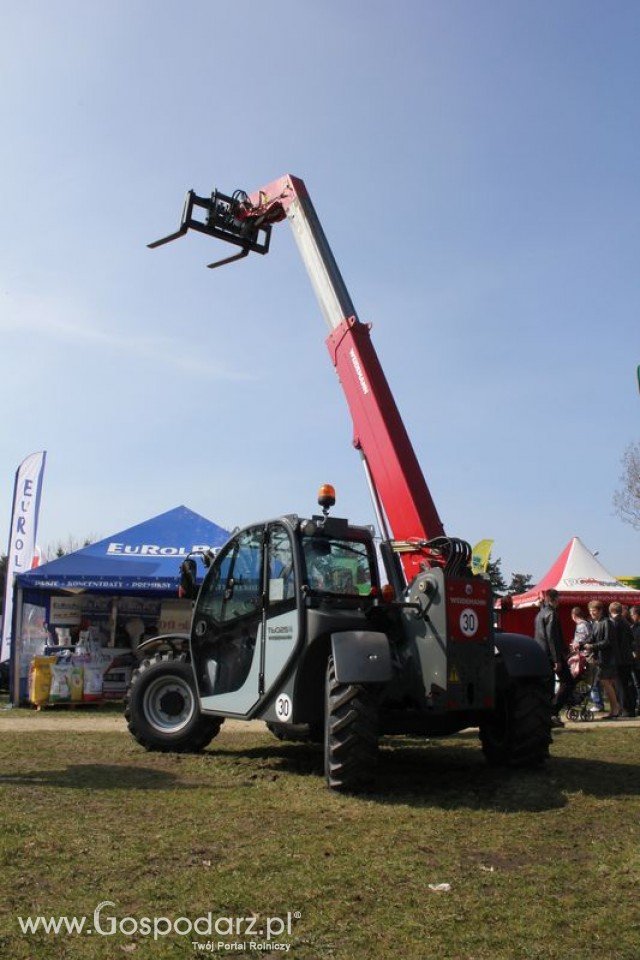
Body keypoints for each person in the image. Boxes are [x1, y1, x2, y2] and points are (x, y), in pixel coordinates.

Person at [534, 588, 572, 727]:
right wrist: (557, 659)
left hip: (541, 654)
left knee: (547, 686)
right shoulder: (551, 614)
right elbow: (552, 637)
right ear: (554, 599)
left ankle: (547, 714)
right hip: (552, 655)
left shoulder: (540, 614)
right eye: (558, 598)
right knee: (568, 682)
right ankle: (552, 711)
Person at [585, 601, 620, 719]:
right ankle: (615, 709)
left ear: (600, 610)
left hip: (609, 659)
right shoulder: (596, 623)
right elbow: (591, 638)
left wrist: (592, 646)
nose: (592, 612)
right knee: (607, 684)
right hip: (602, 659)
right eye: (590, 610)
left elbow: (607, 641)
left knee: (606, 683)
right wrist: (580, 643)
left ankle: (615, 710)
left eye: (594, 610)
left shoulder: (607, 623)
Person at [570, 605, 604, 712]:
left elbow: (581, 640)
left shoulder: (581, 625)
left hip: (586, 656)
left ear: (573, 616)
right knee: (592, 680)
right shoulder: (588, 624)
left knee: (591, 680)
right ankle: (597, 702)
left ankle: (597, 703)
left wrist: (575, 644)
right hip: (588, 654)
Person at [608, 601, 636, 717]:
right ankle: (630, 708)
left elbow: (614, 642)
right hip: (628, 657)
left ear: (610, 611)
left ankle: (625, 709)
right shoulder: (626, 622)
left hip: (619, 659)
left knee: (621, 685)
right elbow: (631, 639)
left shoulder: (614, 623)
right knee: (627, 683)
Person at [630, 605, 640, 707]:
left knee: (637, 684)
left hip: (637, 659)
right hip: (635, 659)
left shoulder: (635, 628)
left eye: (632, 614)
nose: (631, 616)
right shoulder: (632, 627)